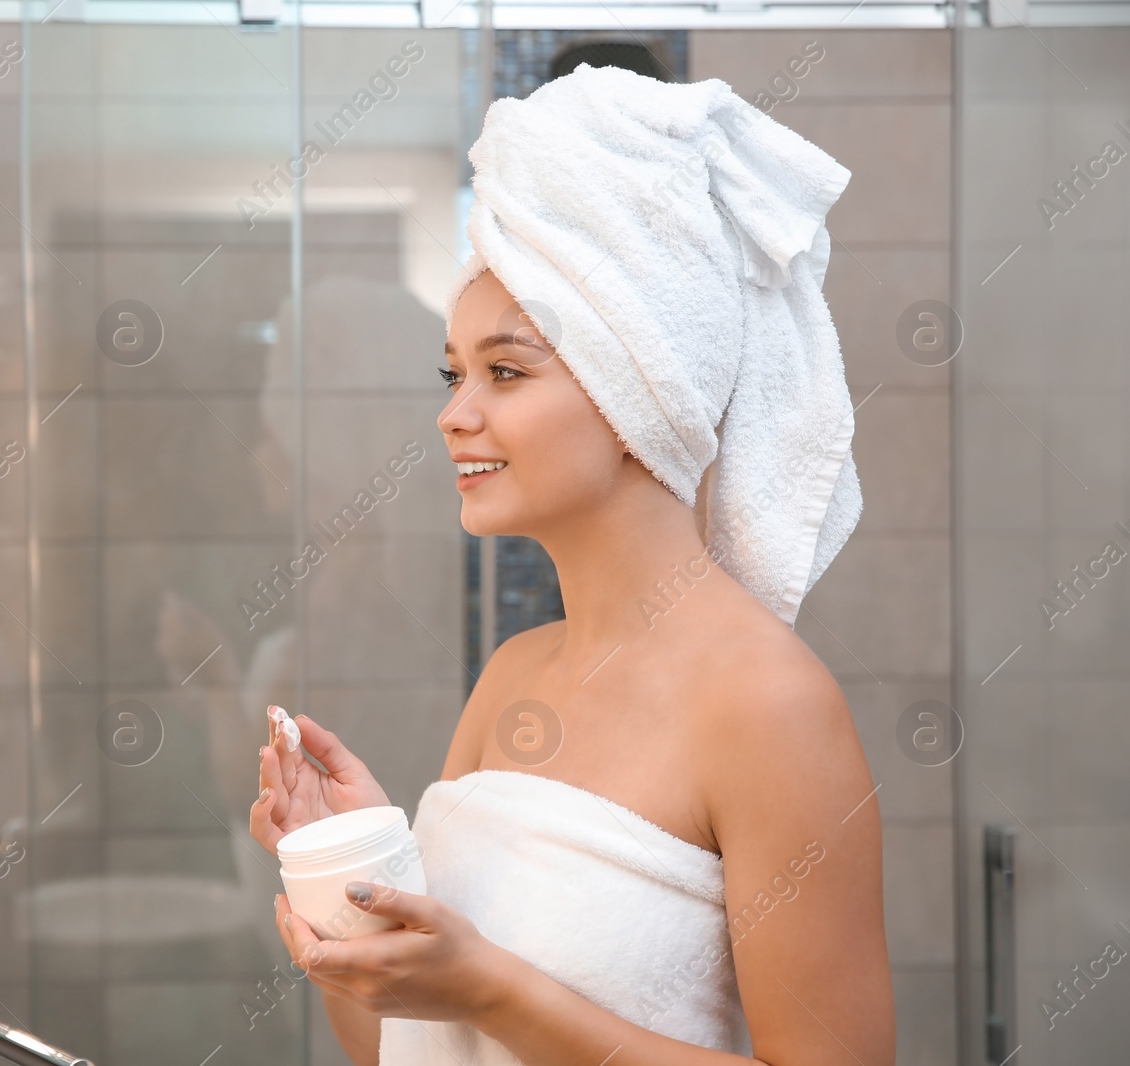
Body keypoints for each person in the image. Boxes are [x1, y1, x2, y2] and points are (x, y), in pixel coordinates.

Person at [248, 64, 893, 1066]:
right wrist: (356, 867)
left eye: (505, 372)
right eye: (453, 372)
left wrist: (496, 988)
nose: (455, 412)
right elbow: (405, 1048)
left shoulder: (767, 705)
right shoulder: (516, 673)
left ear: (642, 399)